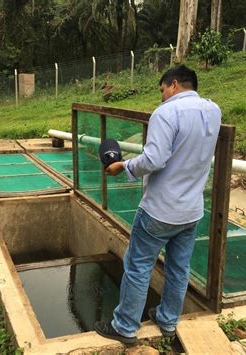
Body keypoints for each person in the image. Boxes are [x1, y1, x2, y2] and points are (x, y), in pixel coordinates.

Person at [94, 65, 221, 344]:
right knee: (178, 268)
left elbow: (154, 159)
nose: (161, 96)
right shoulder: (213, 110)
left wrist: (123, 166)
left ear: (173, 84)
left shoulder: (165, 113)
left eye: (162, 90)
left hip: (159, 210)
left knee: (138, 266)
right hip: (191, 211)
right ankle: (167, 321)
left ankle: (125, 326)